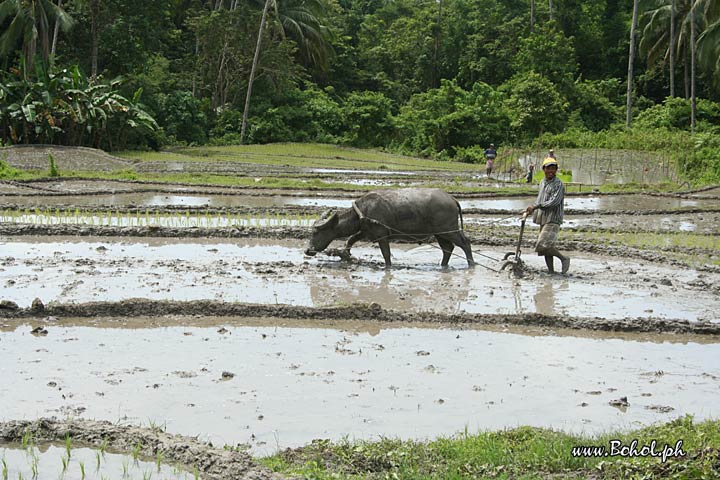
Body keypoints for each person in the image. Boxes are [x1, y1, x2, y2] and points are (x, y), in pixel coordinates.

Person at [524, 156, 570, 274]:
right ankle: (551, 271)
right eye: (548, 168)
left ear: (556, 170)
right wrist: (531, 209)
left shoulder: (558, 184)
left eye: (553, 169)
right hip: (543, 218)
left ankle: (564, 258)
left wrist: (535, 207)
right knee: (545, 247)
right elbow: (540, 199)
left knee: (543, 244)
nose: (551, 171)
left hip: (553, 218)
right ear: (543, 169)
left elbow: (553, 202)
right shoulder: (542, 182)